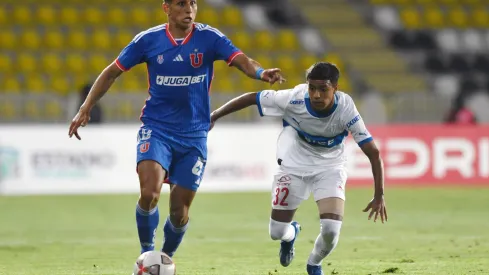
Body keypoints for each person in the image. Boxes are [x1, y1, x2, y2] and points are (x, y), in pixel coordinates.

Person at [68, 0, 284, 258]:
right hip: (157, 129)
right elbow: (112, 72)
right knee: (149, 193)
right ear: (166, 8)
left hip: (194, 135)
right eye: (181, 4)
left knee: (179, 213)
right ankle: (147, 255)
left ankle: (165, 258)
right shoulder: (148, 41)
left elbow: (241, 60)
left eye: (193, 3)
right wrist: (85, 107)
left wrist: (261, 73)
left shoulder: (209, 38)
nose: (189, 9)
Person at [210, 62, 387, 275]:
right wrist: (214, 116)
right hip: (294, 165)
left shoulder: (346, 108)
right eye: (312, 88)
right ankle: (291, 234)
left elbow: (373, 153)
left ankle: (314, 264)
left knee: (331, 229)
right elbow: (251, 98)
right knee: (276, 232)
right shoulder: (293, 98)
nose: (316, 95)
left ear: (336, 89)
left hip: (329, 167)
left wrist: (379, 195)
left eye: (323, 89)